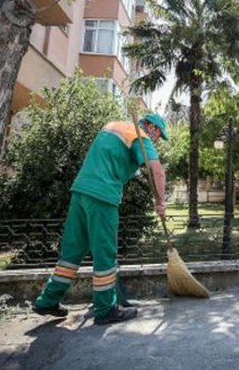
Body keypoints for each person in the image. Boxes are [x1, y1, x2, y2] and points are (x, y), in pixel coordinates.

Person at [32, 114, 168, 325]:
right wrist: (160, 202)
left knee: (72, 251)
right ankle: (105, 309)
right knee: (105, 252)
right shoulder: (140, 136)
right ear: (151, 127)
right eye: (159, 134)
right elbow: (157, 170)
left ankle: (48, 300)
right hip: (102, 195)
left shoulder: (113, 126)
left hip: (81, 191)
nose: (157, 139)